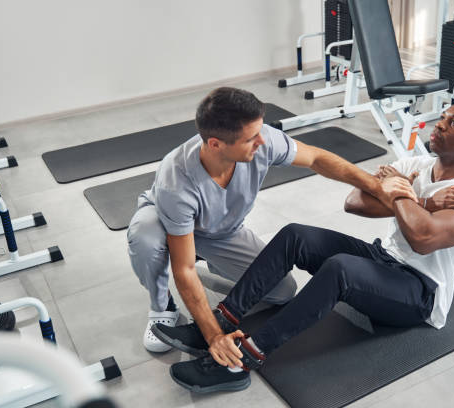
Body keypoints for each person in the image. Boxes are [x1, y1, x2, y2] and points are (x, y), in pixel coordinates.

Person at [153, 97, 454, 393]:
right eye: (441, 117)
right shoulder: (416, 165)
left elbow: (422, 239)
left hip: (419, 292)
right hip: (384, 258)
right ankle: (220, 321)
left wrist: (398, 191)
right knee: (296, 235)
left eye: (453, 124)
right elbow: (355, 202)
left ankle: (241, 362)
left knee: (341, 270)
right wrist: (421, 203)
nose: (438, 126)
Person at [127, 87, 415, 352]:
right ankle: (162, 305)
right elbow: (185, 268)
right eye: (251, 138)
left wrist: (376, 186)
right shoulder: (176, 182)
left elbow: (317, 158)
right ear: (215, 144)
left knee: (282, 291)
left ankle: (213, 263)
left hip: (221, 232)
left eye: (260, 131)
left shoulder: (262, 139)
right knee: (146, 238)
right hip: (166, 222)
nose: (262, 141)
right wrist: (214, 336)